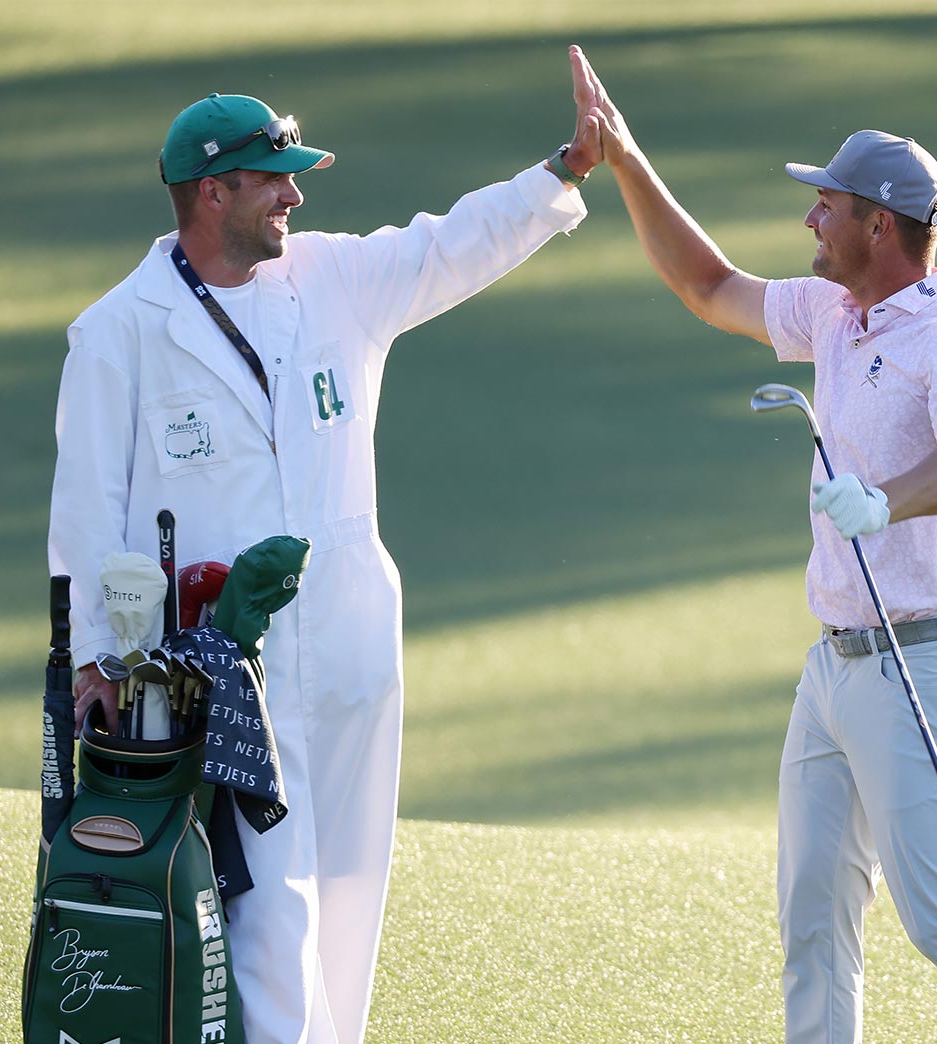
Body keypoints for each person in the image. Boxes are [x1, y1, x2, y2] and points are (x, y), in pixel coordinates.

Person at [48, 47, 609, 1044]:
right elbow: (87, 507)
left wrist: (560, 170)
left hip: (350, 634)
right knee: (266, 912)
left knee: (349, 888)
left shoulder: (336, 278)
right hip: (219, 667)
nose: (292, 200)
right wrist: (93, 655)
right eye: (272, 180)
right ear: (211, 190)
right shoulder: (117, 332)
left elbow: (449, 246)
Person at [579, 57, 937, 1044]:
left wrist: (880, 502)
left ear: (877, 224)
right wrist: (623, 158)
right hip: (833, 668)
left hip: (930, 662)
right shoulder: (833, 315)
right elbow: (705, 285)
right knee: (813, 928)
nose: (806, 223)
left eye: (823, 206)